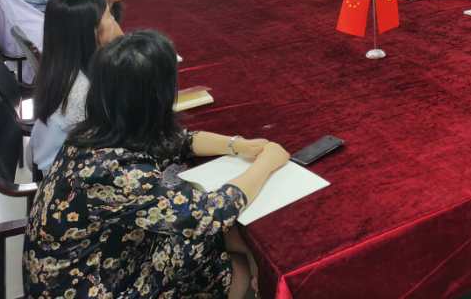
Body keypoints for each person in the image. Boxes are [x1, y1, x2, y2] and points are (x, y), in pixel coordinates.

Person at [23, 30, 290, 299]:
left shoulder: (103, 126)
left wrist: (237, 145)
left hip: (93, 258)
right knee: (220, 259)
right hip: (85, 284)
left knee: (221, 240)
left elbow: (177, 141)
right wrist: (265, 164)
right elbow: (209, 213)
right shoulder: (117, 173)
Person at [30, 0, 123, 174]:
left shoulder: (63, 68)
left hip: (66, 161)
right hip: (69, 176)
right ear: (92, 32)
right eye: (110, 16)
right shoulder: (81, 94)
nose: (115, 22)